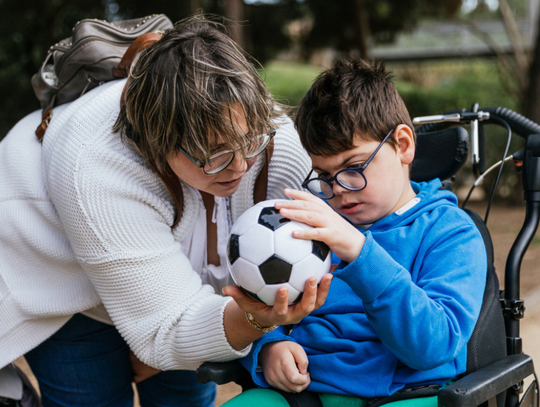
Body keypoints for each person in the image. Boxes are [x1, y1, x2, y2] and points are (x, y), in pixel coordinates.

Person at [0, 15, 332, 407]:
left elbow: (173, 333)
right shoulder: (98, 169)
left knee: (184, 396)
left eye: (248, 142)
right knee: (93, 397)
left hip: (167, 275)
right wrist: (251, 321)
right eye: (215, 155)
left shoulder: (271, 137)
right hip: (58, 279)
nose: (241, 165)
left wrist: (172, 345)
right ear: (157, 144)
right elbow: (165, 329)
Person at [223, 58, 488, 407]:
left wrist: (361, 252)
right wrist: (265, 350)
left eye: (354, 167)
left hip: (408, 393)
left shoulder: (451, 232)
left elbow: (434, 348)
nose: (340, 189)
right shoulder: (306, 227)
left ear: (403, 145)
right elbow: (268, 307)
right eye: (324, 174)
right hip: (304, 393)